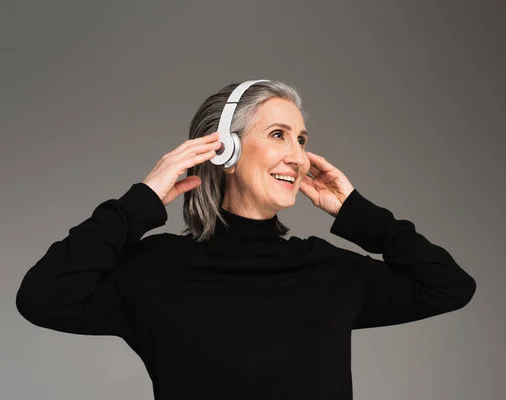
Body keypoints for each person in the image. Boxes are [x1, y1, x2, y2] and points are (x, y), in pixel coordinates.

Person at [15, 80, 477, 399]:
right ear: (226, 151)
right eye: (279, 135)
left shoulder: (328, 270)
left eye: (301, 139)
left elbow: (449, 286)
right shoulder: (156, 270)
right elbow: (43, 297)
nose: (297, 156)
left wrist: (356, 211)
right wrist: (143, 199)